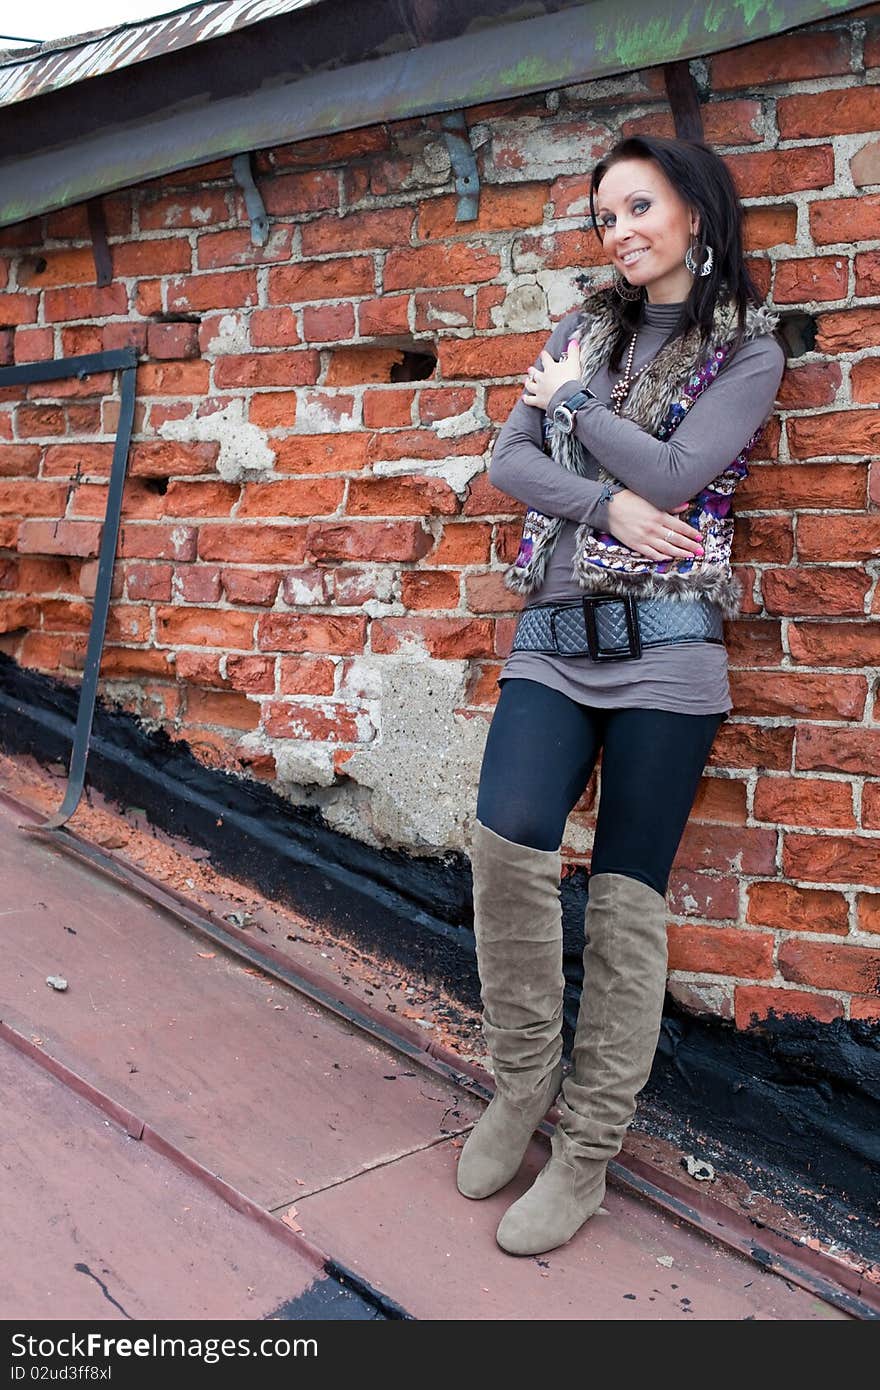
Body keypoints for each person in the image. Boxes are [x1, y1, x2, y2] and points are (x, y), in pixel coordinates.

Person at [457, 134, 787, 1256]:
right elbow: (510, 461)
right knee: (506, 840)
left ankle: (588, 1148)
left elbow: (679, 475)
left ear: (694, 210)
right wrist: (600, 507)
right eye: (605, 216)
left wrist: (579, 417)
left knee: (627, 893)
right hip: (553, 633)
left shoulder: (747, 350)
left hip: (668, 651)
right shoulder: (579, 329)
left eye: (639, 207)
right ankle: (519, 1083)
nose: (621, 231)